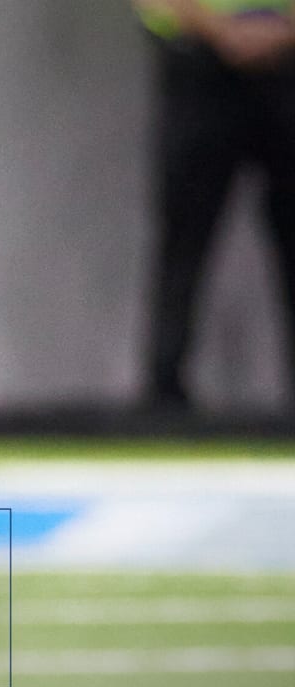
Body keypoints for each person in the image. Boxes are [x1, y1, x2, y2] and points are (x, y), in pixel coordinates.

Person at [136, 0, 295, 411]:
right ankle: (164, 397)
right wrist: (221, 30)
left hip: (287, 65)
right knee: (184, 237)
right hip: (198, 59)